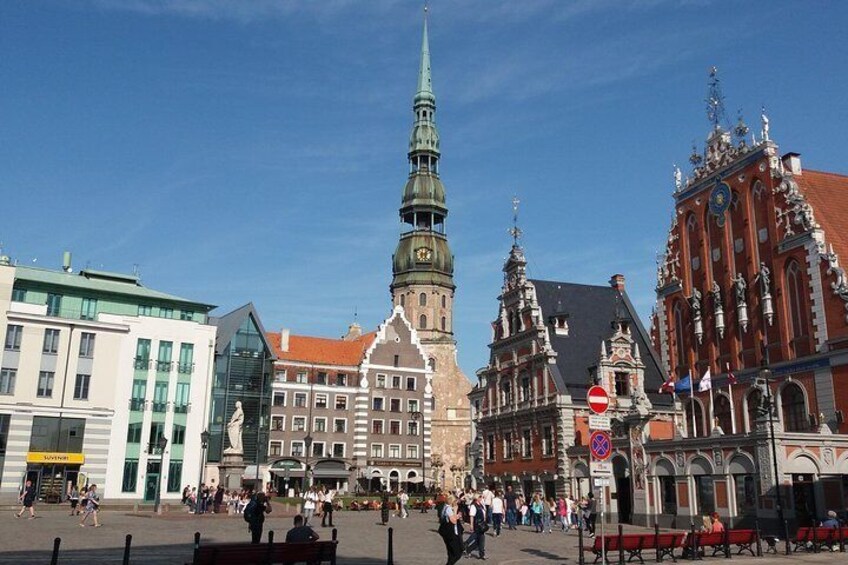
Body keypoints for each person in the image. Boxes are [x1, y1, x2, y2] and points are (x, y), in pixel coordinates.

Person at [438, 495, 464, 565]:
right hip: (451, 533)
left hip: (449, 532)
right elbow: (453, 521)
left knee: (451, 553)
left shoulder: (446, 507)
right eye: (455, 501)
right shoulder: (448, 508)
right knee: (457, 553)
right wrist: (456, 512)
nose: (456, 503)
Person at [464, 493, 488, 560]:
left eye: (482, 497)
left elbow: (484, 512)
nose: (481, 498)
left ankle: (468, 548)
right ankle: (481, 554)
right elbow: (472, 516)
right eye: (480, 497)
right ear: (477, 498)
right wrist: (471, 525)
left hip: (482, 525)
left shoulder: (481, 505)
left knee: (479, 541)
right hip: (477, 525)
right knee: (481, 540)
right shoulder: (473, 506)